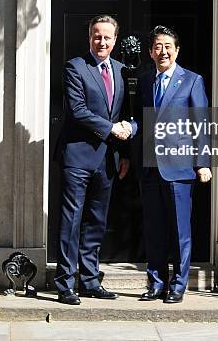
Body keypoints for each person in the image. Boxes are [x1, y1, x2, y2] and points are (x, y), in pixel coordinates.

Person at [54, 15, 133, 305]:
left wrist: (125, 149)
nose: (102, 42)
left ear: (115, 40)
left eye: (107, 37)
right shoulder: (75, 67)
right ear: (90, 38)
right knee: (71, 221)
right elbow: (77, 110)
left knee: (96, 222)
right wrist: (110, 128)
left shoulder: (122, 71)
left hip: (108, 159)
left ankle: (89, 280)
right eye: (97, 36)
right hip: (77, 156)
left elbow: (127, 114)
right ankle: (65, 283)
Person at [132, 25, 212, 304]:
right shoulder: (144, 82)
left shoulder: (191, 80)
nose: (162, 51)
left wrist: (202, 162)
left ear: (177, 50)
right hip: (150, 168)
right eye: (157, 46)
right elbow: (140, 122)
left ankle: (178, 285)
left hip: (179, 168)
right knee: (153, 229)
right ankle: (155, 283)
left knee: (180, 231)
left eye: (167, 46)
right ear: (150, 52)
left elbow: (201, 124)